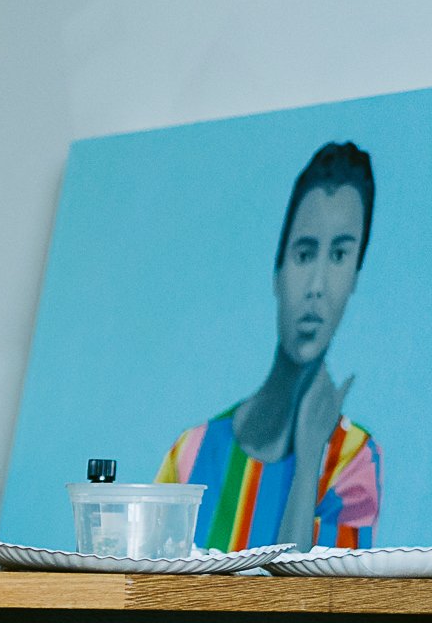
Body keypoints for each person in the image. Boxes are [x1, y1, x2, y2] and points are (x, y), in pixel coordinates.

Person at [156, 140, 382, 550]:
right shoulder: (191, 452)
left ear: (355, 277)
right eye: (304, 253)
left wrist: (310, 454)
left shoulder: (353, 461)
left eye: (339, 256)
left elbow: (310, 607)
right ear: (277, 271)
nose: (317, 287)